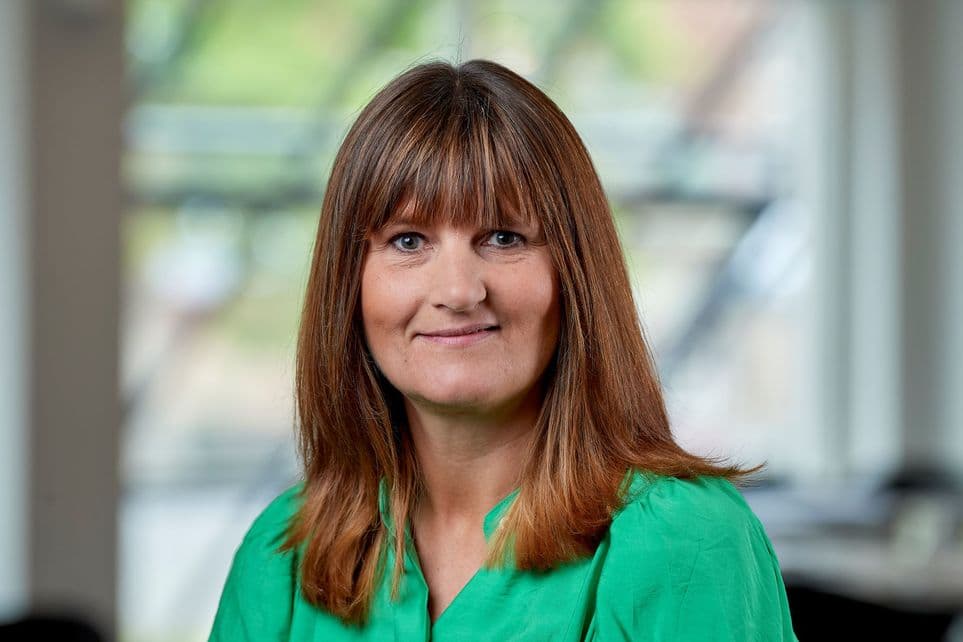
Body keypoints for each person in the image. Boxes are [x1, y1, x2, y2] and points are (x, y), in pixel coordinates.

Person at [208, 58, 799, 641]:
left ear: (574, 275)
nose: (458, 291)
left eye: (503, 237)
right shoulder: (281, 556)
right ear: (348, 283)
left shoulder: (684, 541)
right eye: (408, 241)